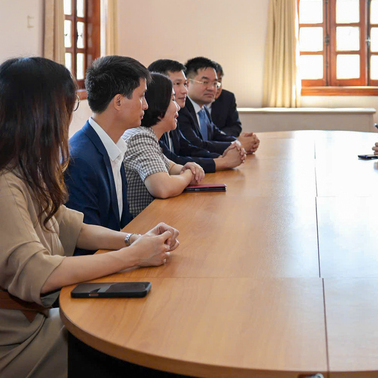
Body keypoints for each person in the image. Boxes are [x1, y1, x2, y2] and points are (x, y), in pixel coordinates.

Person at [0, 57, 180, 378]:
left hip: (21, 326)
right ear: (42, 115)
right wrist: (131, 255)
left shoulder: (22, 168)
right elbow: (40, 273)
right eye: (65, 110)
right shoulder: (2, 184)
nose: (67, 121)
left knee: (128, 327)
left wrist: (135, 240)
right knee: (131, 344)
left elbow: (71, 226)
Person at [65, 56, 150, 255]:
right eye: (141, 96)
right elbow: (86, 243)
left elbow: (121, 223)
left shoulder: (113, 144)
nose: (145, 105)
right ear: (118, 101)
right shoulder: (80, 160)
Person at [123, 72, 206, 216]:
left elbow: (169, 166)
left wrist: (187, 167)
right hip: (139, 227)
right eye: (172, 99)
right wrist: (187, 176)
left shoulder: (147, 136)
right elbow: (163, 188)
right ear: (159, 104)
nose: (178, 107)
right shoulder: (139, 137)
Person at [147, 59, 244, 173]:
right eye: (177, 84)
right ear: (157, 87)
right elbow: (171, 160)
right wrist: (222, 162)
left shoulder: (173, 115)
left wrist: (221, 157)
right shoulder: (149, 124)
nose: (184, 90)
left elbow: (187, 148)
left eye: (185, 84)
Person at [183, 56, 259, 155]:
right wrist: (237, 145)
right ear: (187, 83)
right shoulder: (181, 109)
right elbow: (196, 146)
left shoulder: (203, 109)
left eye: (215, 83)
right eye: (205, 82)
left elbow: (216, 134)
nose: (211, 88)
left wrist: (241, 141)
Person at [210, 62, 243, 137]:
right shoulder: (186, 101)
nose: (216, 87)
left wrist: (220, 135)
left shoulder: (227, 98)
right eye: (212, 83)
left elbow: (235, 126)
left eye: (219, 82)